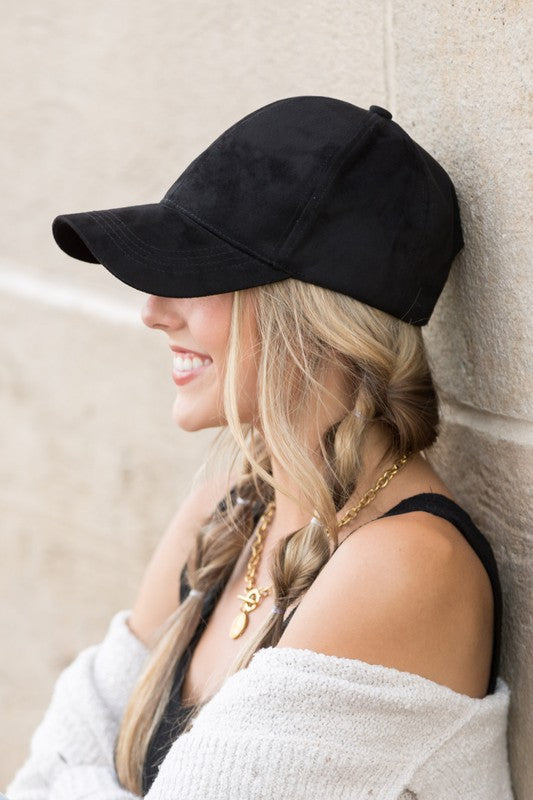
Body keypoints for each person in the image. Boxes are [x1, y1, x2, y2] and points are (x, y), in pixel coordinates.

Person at [6, 95, 514, 799]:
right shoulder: (230, 506)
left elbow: (66, 772)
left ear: (311, 311)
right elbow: (39, 775)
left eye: (196, 275)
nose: (154, 312)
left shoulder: (403, 566)